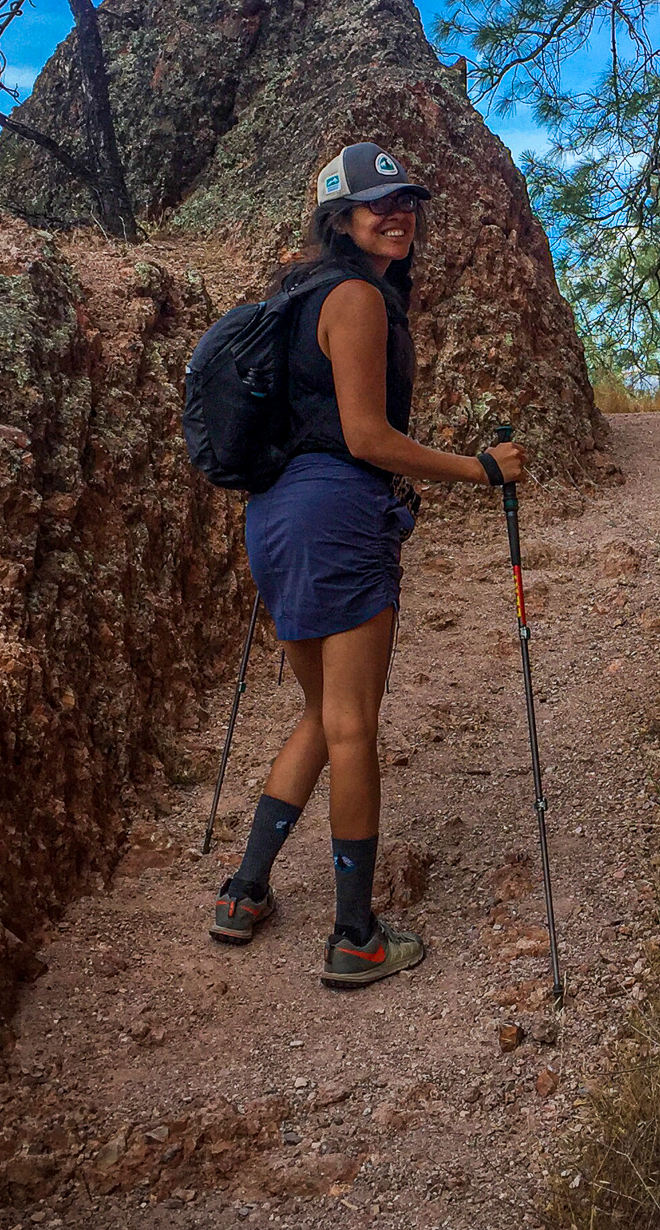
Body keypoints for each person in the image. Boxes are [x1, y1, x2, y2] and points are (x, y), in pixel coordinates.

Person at [209, 141, 526, 986]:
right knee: (352, 722)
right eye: (376, 204)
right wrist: (479, 469)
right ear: (339, 220)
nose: (397, 214)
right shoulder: (355, 298)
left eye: (406, 202)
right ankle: (356, 938)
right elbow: (366, 438)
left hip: (275, 516)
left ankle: (244, 892)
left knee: (321, 713)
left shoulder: (302, 295)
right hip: (335, 514)